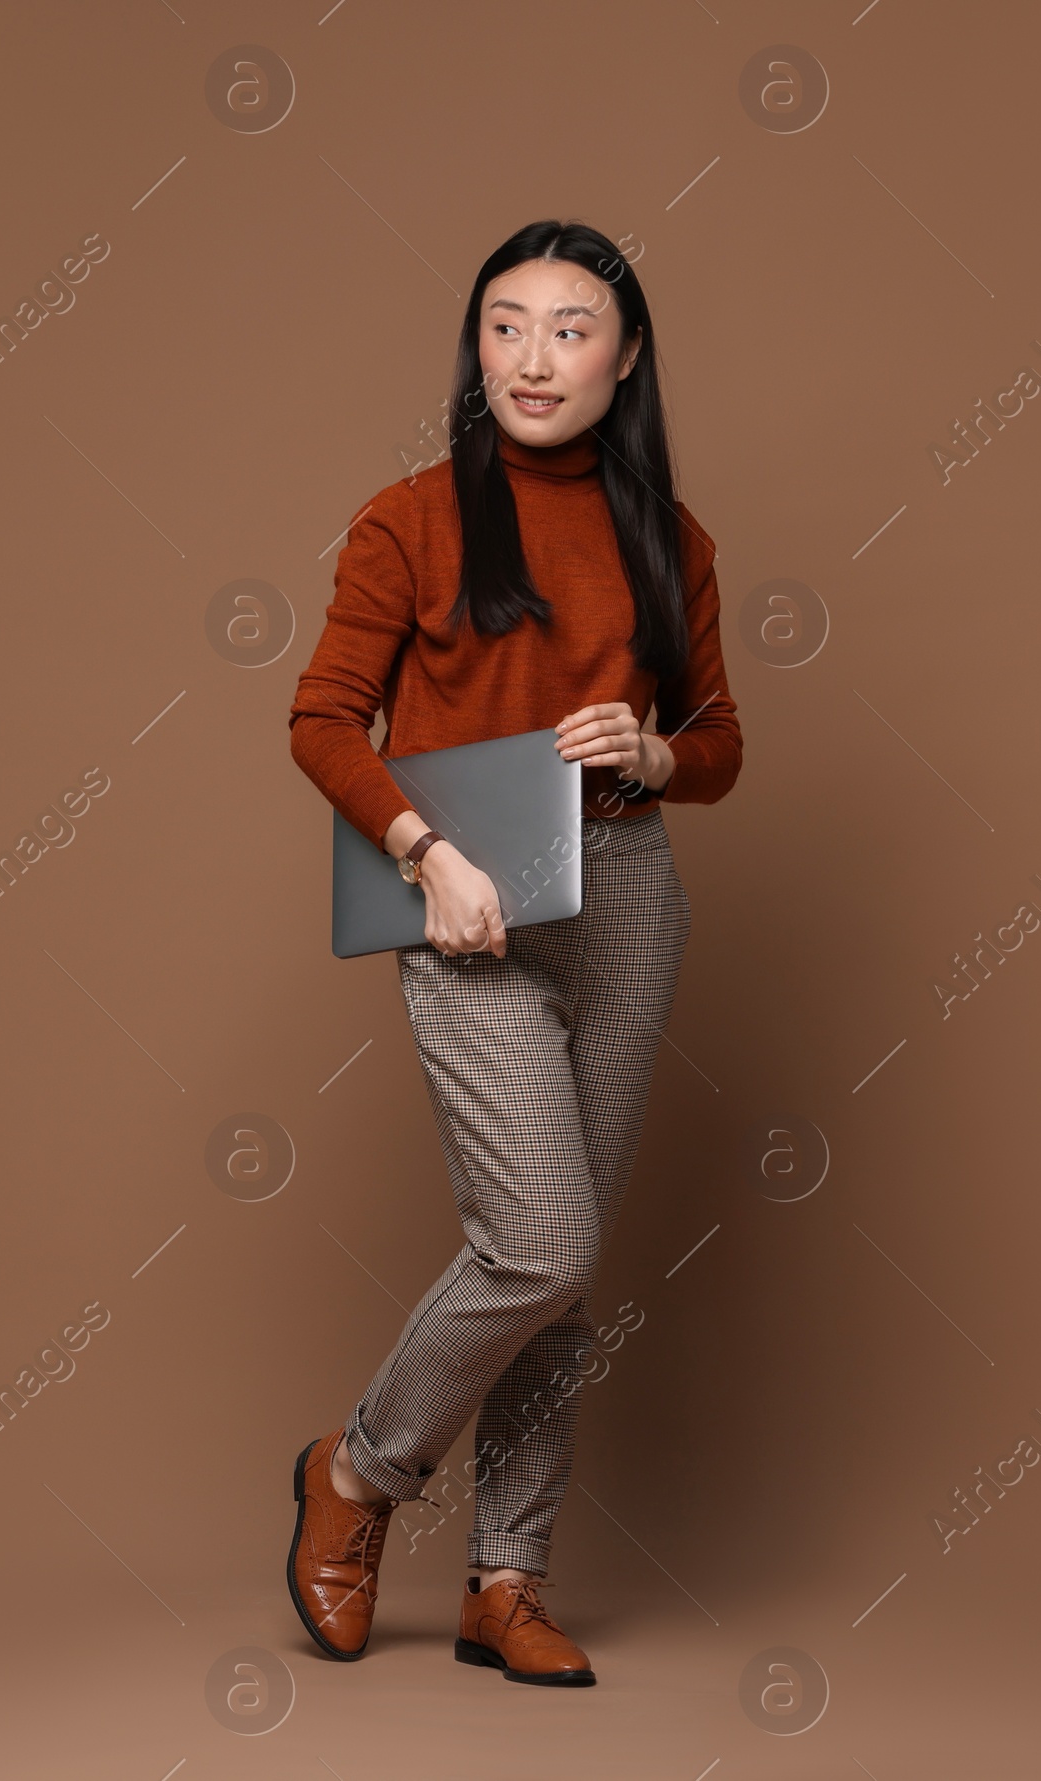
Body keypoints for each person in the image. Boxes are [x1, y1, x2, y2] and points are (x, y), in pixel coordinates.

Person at [284, 218, 742, 1687]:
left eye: (569, 328)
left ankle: (507, 1577)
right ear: (475, 349)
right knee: (535, 1239)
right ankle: (354, 1477)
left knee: (571, 1270)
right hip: (470, 894)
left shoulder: (674, 540)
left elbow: (725, 744)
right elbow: (318, 720)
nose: (533, 356)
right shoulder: (410, 517)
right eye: (505, 325)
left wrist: (657, 750)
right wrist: (426, 853)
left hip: (625, 891)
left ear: (625, 359)